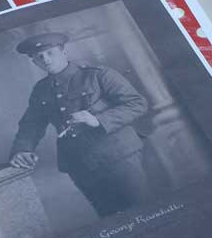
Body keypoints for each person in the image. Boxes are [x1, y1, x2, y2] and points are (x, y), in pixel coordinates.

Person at [8, 32, 150, 218]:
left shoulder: (98, 75)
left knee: (141, 211)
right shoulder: (41, 90)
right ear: (34, 62)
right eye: (39, 57)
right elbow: (31, 125)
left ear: (63, 52)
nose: (46, 60)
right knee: (110, 218)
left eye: (50, 53)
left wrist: (99, 120)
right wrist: (22, 150)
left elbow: (137, 104)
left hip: (118, 156)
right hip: (79, 165)